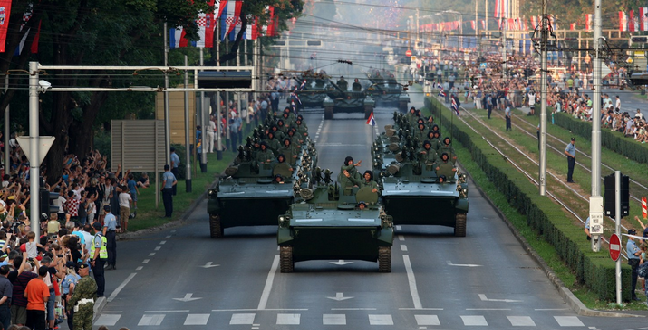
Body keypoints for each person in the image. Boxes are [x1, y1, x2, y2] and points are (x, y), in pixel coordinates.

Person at [67, 263, 97, 330]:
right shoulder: (93, 281)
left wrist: (69, 306)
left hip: (80, 306)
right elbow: (95, 294)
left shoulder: (80, 282)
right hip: (89, 305)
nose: (78, 271)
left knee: (77, 326)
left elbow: (76, 296)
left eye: (80, 270)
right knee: (88, 326)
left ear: (85, 271)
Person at [24, 265, 50, 330]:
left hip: (29, 307)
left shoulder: (30, 282)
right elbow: (45, 299)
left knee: (29, 326)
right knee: (39, 327)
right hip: (39, 308)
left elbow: (25, 295)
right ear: (45, 274)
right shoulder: (44, 285)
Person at [90, 221, 107, 297]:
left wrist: (93, 259)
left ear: (93, 228)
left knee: (98, 275)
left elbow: (97, 249)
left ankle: (100, 292)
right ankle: (101, 290)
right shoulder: (102, 236)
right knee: (101, 275)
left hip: (98, 258)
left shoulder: (97, 237)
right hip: (103, 257)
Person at [627, 229, 642, 301]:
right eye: (633, 234)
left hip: (635, 262)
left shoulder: (633, 243)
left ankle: (633, 294)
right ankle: (632, 295)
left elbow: (639, 251)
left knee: (634, 279)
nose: (634, 236)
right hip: (633, 262)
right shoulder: (630, 244)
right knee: (633, 279)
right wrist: (641, 251)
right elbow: (636, 253)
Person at [103, 205, 117, 270]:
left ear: (104, 210)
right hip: (113, 232)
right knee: (113, 248)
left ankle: (110, 263)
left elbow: (105, 227)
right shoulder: (113, 216)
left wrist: (103, 236)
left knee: (109, 249)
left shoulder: (107, 217)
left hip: (109, 233)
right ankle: (114, 263)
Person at [0, 265, 12, 330]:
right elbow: (5, 297)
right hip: (3, 307)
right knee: (5, 326)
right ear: (8, 272)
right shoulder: (7, 282)